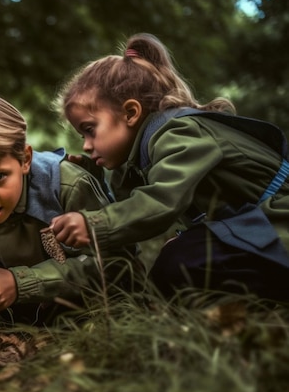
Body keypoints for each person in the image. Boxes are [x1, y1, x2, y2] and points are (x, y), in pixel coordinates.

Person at [56, 32, 289, 301]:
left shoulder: (177, 132)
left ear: (130, 113)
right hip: (257, 227)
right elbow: (127, 204)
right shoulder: (140, 154)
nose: (86, 144)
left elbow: (160, 203)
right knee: (178, 262)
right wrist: (94, 178)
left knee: (177, 264)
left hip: (279, 223)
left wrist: (92, 224)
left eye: (89, 130)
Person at [0, 94, 136, 325]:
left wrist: (19, 282)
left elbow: (111, 263)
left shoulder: (68, 188)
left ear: (25, 159)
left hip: (92, 307)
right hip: (20, 315)